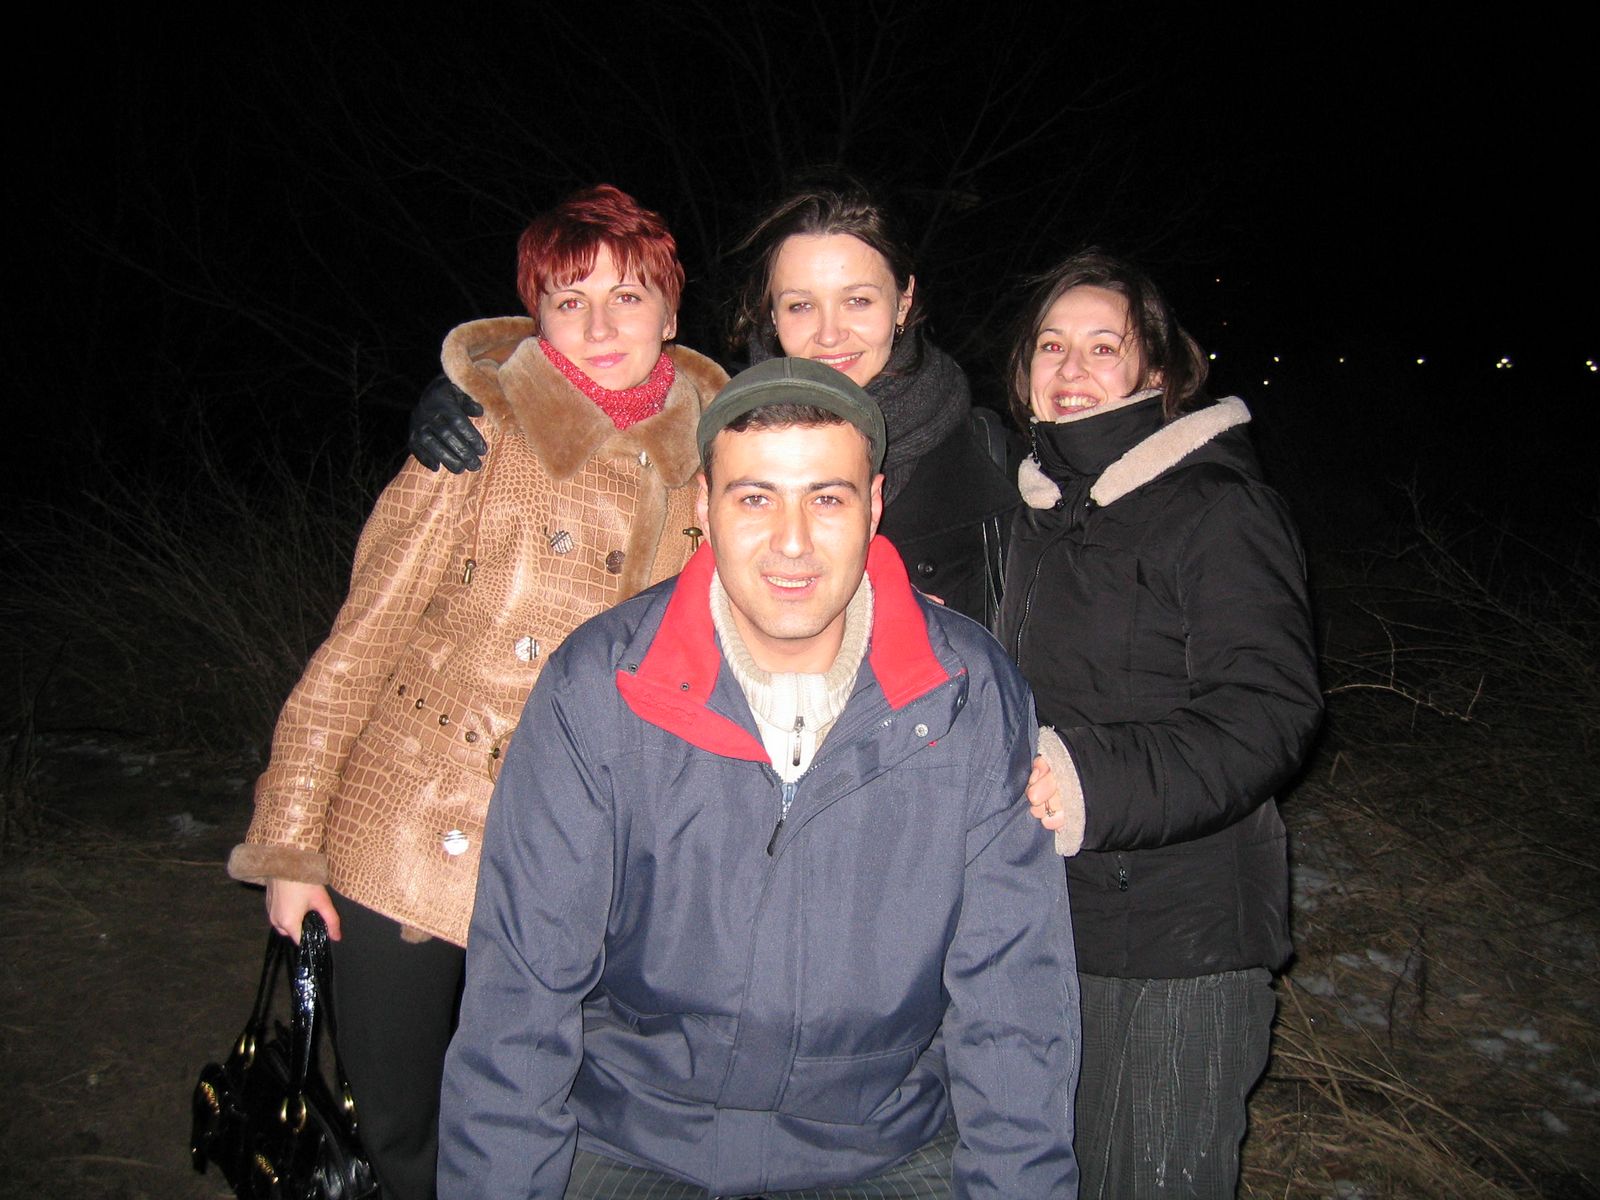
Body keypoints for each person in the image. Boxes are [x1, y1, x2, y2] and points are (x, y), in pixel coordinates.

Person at [438, 357, 1080, 1199]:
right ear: (702, 505)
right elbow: (519, 998)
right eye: (754, 498)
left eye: (827, 498)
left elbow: (1015, 1002)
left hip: (881, 1145)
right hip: (634, 1136)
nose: (792, 542)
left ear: (875, 506)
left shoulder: (968, 694)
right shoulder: (600, 685)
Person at [225, 185, 728, 1200]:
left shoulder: (716, 465)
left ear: (671, 313)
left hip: (590, 859)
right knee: (403, 1126)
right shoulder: (474, 437)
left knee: (545, 1124)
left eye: (627, 298)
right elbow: (359, 641)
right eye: (569, 301)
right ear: (534, 316)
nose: (599, 327)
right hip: (413, 832)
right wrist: (289, 844)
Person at [1000, 249, 1323, 1198]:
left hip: (1176, 943)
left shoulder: (1216, 507)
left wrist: (1089, 780)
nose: (1071, 368)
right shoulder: (1035, 514)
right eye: (1050, 345)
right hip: (1045, 925)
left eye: (1104, 346)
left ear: (1157, 370)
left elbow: (1270, 708)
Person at [412, 178, 1019, 629]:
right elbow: (615, 373)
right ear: (771, 314)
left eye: (858, 300)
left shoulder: (986, 453)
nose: (830, 333)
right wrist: (478, 388)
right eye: (801, 305)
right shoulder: (725, 430)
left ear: (904, 301)